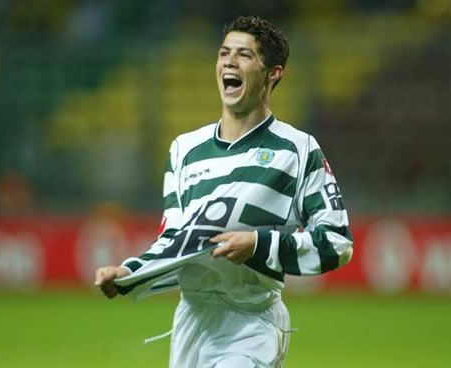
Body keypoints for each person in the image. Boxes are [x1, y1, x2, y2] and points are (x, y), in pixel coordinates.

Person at [95, 15, 353, 368]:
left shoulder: (298, 150)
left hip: (252, 323)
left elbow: (337, 243)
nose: (229, 61)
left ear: (273, 73)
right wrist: (130, 274)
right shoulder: (184, 150)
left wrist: (258, 246)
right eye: (224, 53)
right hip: (191, 322)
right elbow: (178, 242)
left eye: (244, 55)